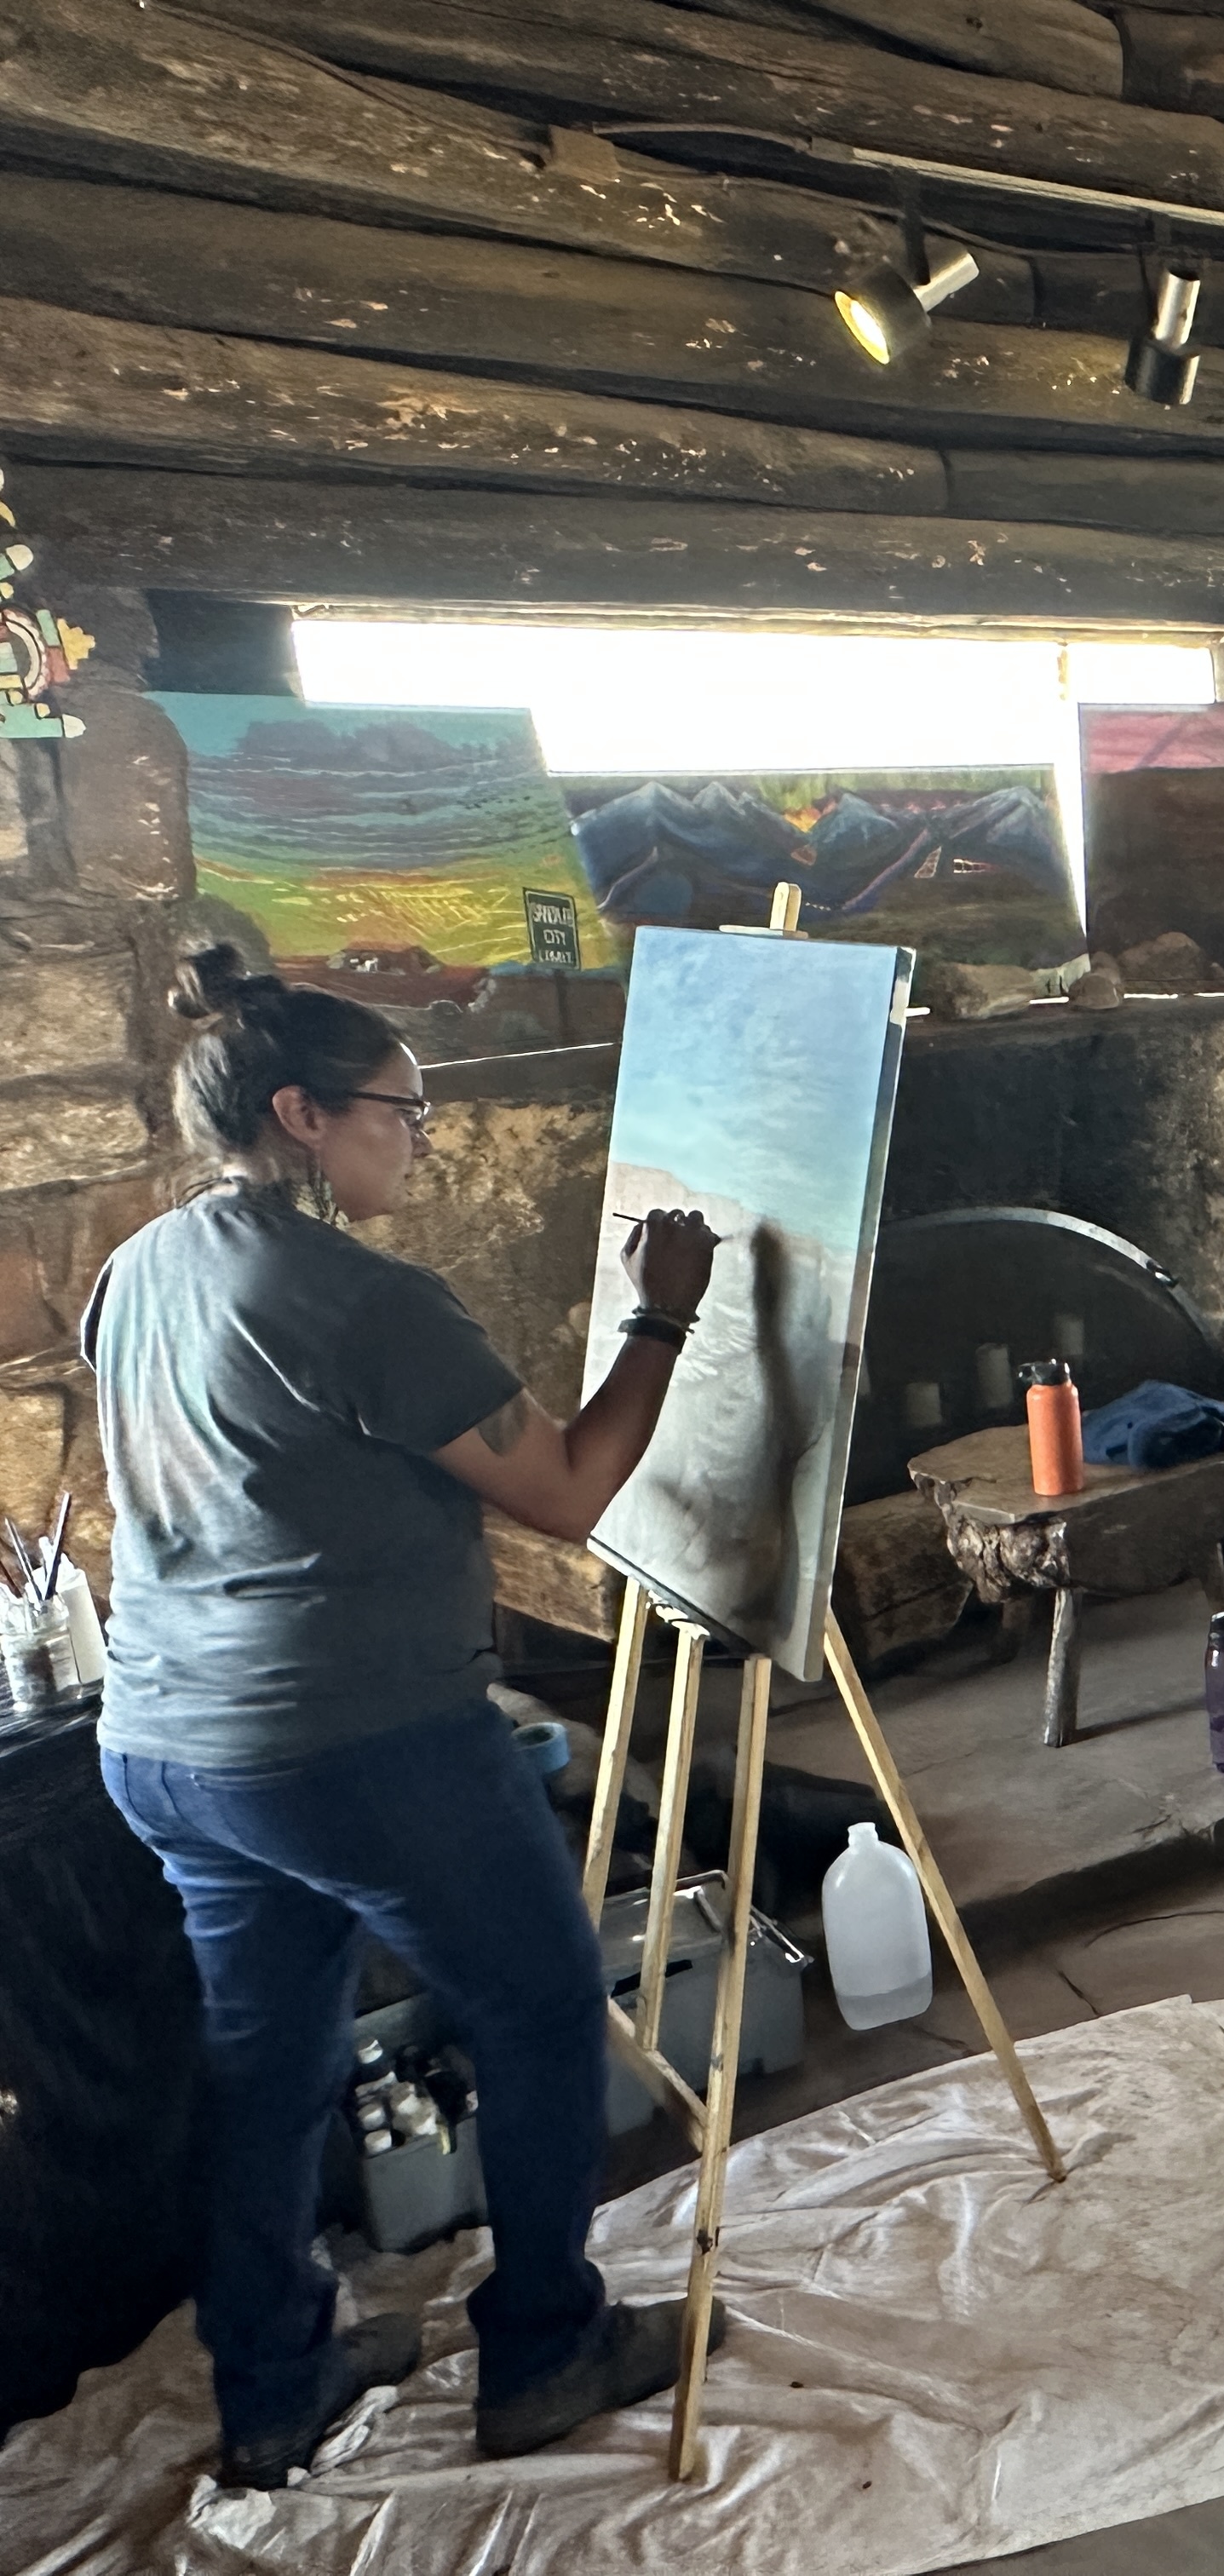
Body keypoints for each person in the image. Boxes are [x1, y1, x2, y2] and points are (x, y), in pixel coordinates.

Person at [93, 949, 722, 2486]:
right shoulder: (366, 1296)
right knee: (539, 2004)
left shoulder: (141, 1263)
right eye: (402, 1107)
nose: (420, 1134)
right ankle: (547, 2344)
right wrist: (664, 1319)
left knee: (268, 2055)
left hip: (169, 1743)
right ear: (301, 1114)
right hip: (351, 1739)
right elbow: (567, 1490)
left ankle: (274, 2380)